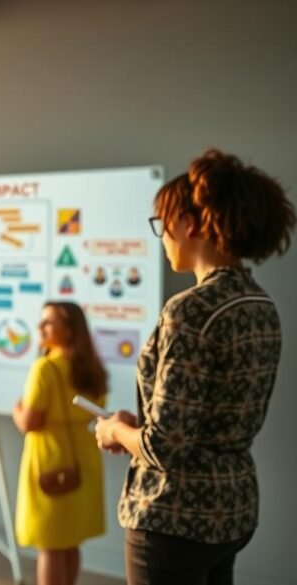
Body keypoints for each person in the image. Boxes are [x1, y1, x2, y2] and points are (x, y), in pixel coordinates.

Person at [95, 149, 295, 585]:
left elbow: (165, 447)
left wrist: (114, 431)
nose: (162, 235)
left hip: (174, 515)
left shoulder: (190, 310)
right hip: (232, 508)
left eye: (162, 223)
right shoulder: (260, 304)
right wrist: (140, 427)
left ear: (190, 223)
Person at [13, 301, 107, 585]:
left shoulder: (45, 368)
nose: (40, 327)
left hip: (50, 459)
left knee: (50, 545)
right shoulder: (92, 368)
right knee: (70, 542)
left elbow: (30, 422)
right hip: (84, 460)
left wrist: (16, 408)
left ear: (68, 330)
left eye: (48, 322)